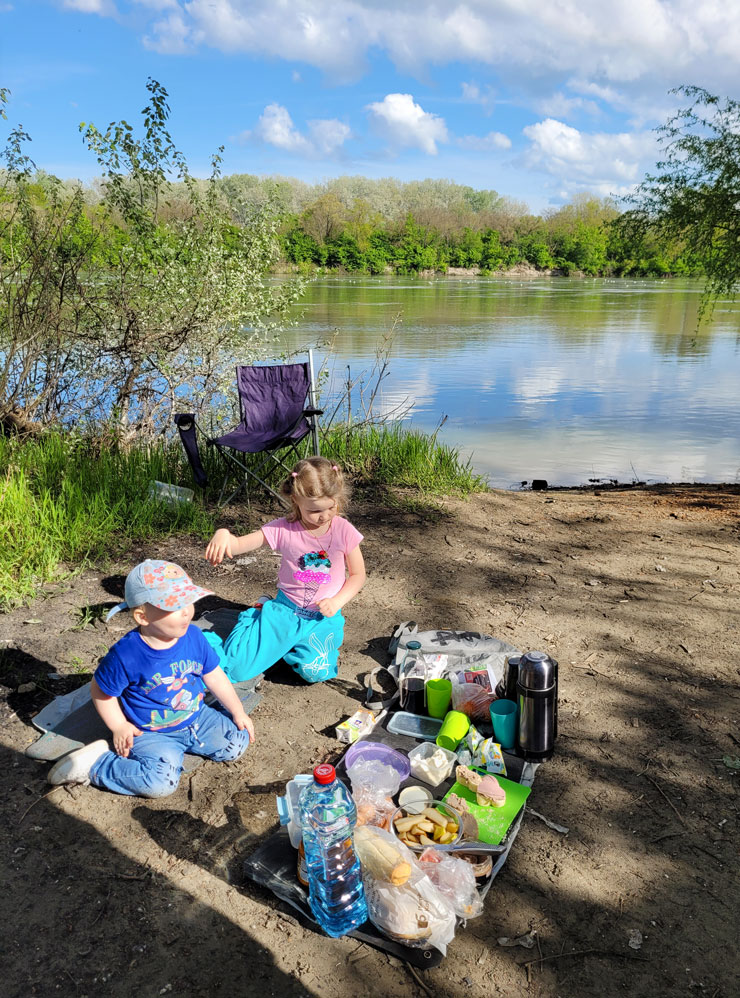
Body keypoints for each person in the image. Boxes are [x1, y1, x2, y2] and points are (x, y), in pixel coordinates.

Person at [47, 560, 255, 797]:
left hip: (196, 715)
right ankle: (98, 765)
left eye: (188, 601)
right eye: (175, 606)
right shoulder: (127, 655)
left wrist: (237, 710)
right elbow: (100, 691)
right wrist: (119, 726)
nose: (187, 610)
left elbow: (213, 675)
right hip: (152, 732)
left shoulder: (194, 637)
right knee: (160, 783)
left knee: (237, 742)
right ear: (142, 617)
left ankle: (215, 715)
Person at [204, 457, 365, 684]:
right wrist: (223, 534)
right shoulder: (283, 529)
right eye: (315, 510)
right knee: (236, 671)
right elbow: (239, 544)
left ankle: (283, 648)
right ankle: (257, 617)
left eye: (331, 507)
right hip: (285, 612)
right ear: (296, 500)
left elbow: (358, 575)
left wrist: (337, 601)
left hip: (322, 618)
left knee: (315, 672)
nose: (325, 516)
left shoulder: (343, 530)